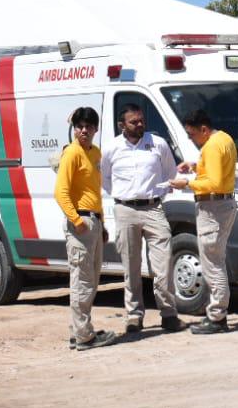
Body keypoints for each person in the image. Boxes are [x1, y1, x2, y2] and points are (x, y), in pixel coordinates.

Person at [101, 103, 181, 334]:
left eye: (141, 121)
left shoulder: (157, 144)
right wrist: (123, 197)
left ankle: (169, 314)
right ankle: (134, 316)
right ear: (121, 125)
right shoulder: (111, 148)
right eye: (133, 122)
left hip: (154, 209)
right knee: (131, 266)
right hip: (125, 210)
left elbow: (170, 173)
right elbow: (105, 178)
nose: (139, 125)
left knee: (163, 265)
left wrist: (158, 194)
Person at [169, 109, 237, 334]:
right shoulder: (224, 139)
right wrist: (196, 167)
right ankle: (218, 314)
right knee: (215, 259)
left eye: (192, 134)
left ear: (204, 130)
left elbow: (215, 182)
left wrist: (187, 183)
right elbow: (217, 170)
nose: (191, 138)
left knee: (212, 262)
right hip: (222, 205)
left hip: (213, 207)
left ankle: (217, 317)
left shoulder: (212, 145)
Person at [54, 107, 116, 351]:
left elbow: (94, 192)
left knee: (90, 280)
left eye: (89, 126)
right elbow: (61, 192)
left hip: (93, 221)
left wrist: (101, 223)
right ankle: (84, 336)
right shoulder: (72, 153)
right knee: (82, 280)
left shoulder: (95, 153)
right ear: (74, 128)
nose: (84, 130)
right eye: (80, 126)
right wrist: (77, 221)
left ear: (95, 129)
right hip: (80, 222)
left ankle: (78, 330)